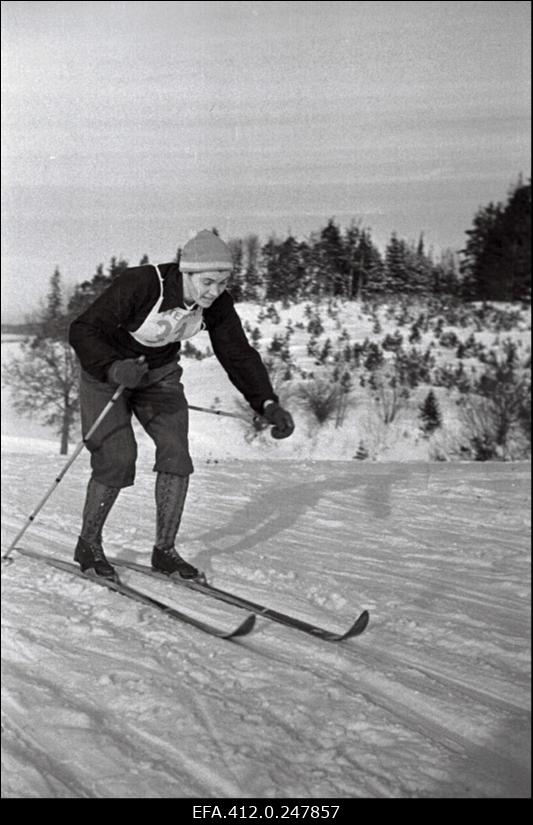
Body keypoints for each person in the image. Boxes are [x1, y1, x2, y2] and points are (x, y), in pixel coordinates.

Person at [69, 229, 294, 581]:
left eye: (222, 283)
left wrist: (267, 402)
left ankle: (165, 551)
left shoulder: (216, 303)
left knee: (176, 453)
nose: (214, 291)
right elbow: (82, 330)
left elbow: (237, 354)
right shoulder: (142, 284)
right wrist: (113, 367)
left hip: (158, 377)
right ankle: (89, 544)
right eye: (207, 282)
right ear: (185, 272)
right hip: (107, 376)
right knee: (117, 457)